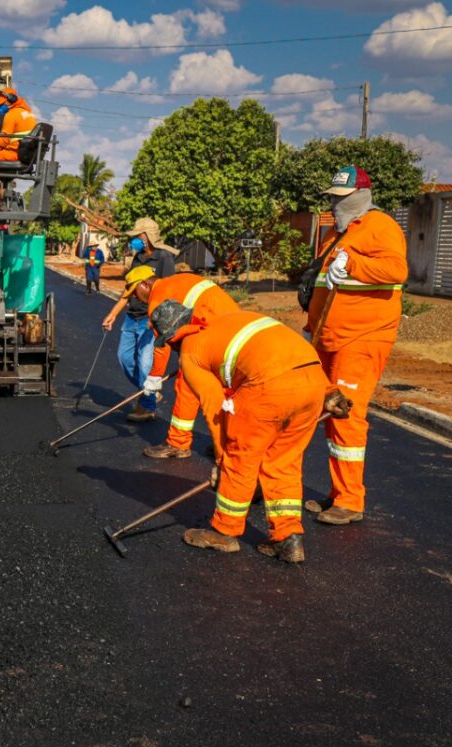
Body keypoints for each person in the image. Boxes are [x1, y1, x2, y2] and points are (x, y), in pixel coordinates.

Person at [151, 301, 351, 564]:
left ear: (173, 337)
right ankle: (287, 537)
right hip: (313, 379)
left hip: (269, 384)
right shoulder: (228, 321)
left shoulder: (190, 352)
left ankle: (224, 531)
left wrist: (223, 459)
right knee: (283, 463)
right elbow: (284, 353)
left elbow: (215, 411)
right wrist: (329, 392)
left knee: (240, 457)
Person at [303, 166, 408, 526]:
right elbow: (323, 285)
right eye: (332, 197)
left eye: (341, 197)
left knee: (345, 413)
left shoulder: (382, 226)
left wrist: (355, 263)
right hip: (327, 336)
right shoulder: (336, 232)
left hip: (362, 338)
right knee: (327, 412)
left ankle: (350, 500)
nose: (334, 203)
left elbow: (396, 270)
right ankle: (337, 493)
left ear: (361, 196)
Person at [137, 269, 241, 459]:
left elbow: (162, 344)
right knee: (226, 390)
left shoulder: (157, 299)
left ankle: (178, 443)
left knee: (187, 386)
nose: (136, 300)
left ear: (143, 285)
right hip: (236, 328)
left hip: (207, 330)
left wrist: (154, 377)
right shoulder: (179, 279)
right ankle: (226, 441)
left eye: (133, 293)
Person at [101, 217, 177, 422]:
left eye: (137, 236)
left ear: (146, 237)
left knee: (145, 363)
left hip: (149, 319)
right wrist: (113, 314)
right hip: (131, 317)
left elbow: (169, 293)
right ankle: (148, 391)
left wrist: (161, 321)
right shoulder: (137, 258)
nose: (134, 239)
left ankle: (147, 406)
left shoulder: (164, 258)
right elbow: (129, 290)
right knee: (124, 358)